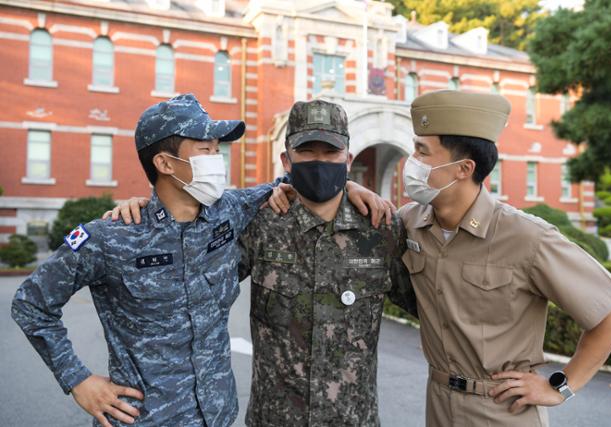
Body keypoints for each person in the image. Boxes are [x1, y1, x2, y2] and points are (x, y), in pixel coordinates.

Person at [108, 100, 417, 426]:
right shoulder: (259, 223)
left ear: (348, 159)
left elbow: (433, 311)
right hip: (274, 418)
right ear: (287, 160)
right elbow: (189, 277)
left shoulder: (380, 227)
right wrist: (152, 214)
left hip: (354, 418)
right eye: (307, 152)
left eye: (330, 153)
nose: (319, 161)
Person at [12, 93, 289, 427]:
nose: (217, 159)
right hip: (147, 419)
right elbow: (31, 303)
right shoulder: (108, 237)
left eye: (218, 149)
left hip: (217, 415)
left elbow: (289, 185)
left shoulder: (228, 211)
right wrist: (77, 380)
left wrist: (349, 188)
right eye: (205, 149)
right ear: (165, 163)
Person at [398, 90, 611, 427]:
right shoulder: (412, 222)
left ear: (464, 168)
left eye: (423, 151)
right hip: (438, 405)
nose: (412, 161)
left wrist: (561, 386)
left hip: (502, 412)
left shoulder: (527, 237)